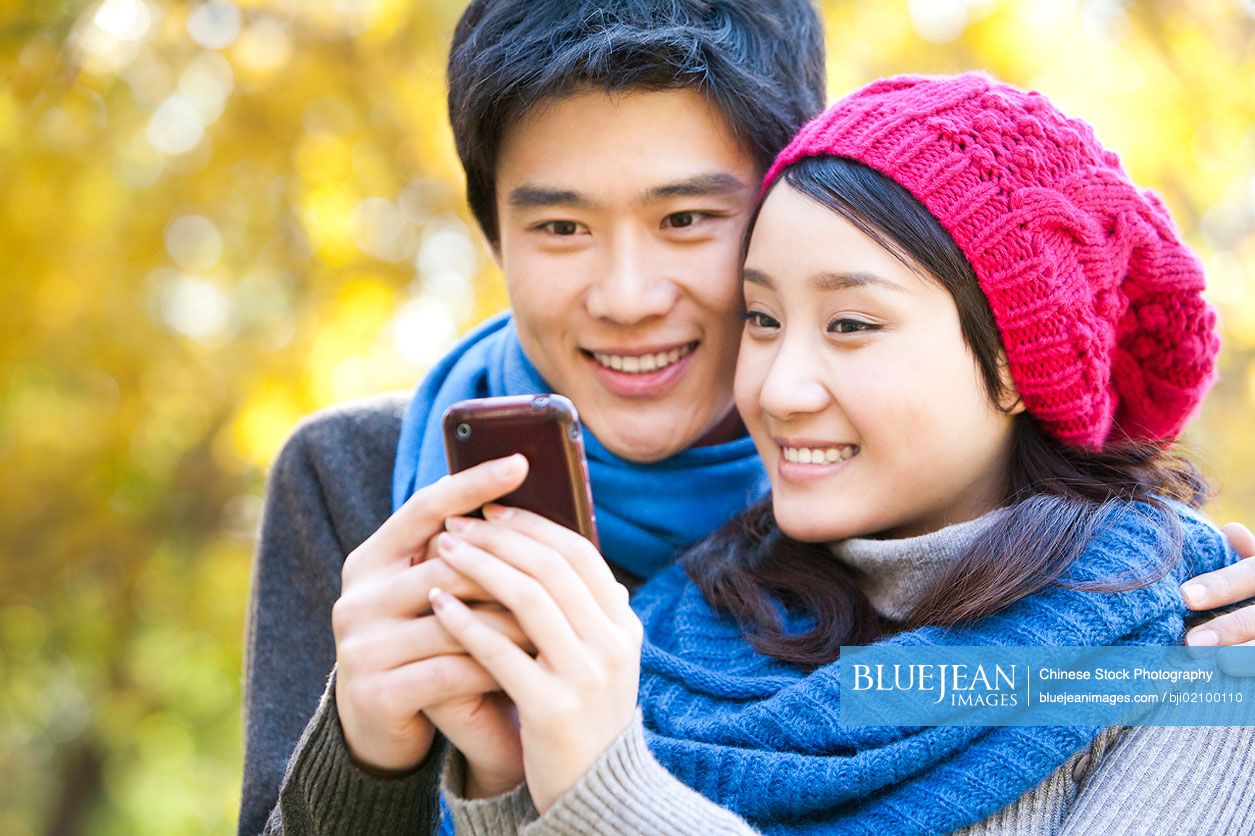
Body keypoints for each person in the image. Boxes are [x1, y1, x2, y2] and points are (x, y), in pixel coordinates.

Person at [237, 0, 1255, 830]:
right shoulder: (366, 483)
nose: (627, 293)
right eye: (558, 224)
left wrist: (596, 781)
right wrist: (371, 757)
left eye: (686, 218)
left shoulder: (1173, 635)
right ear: (493, 233)